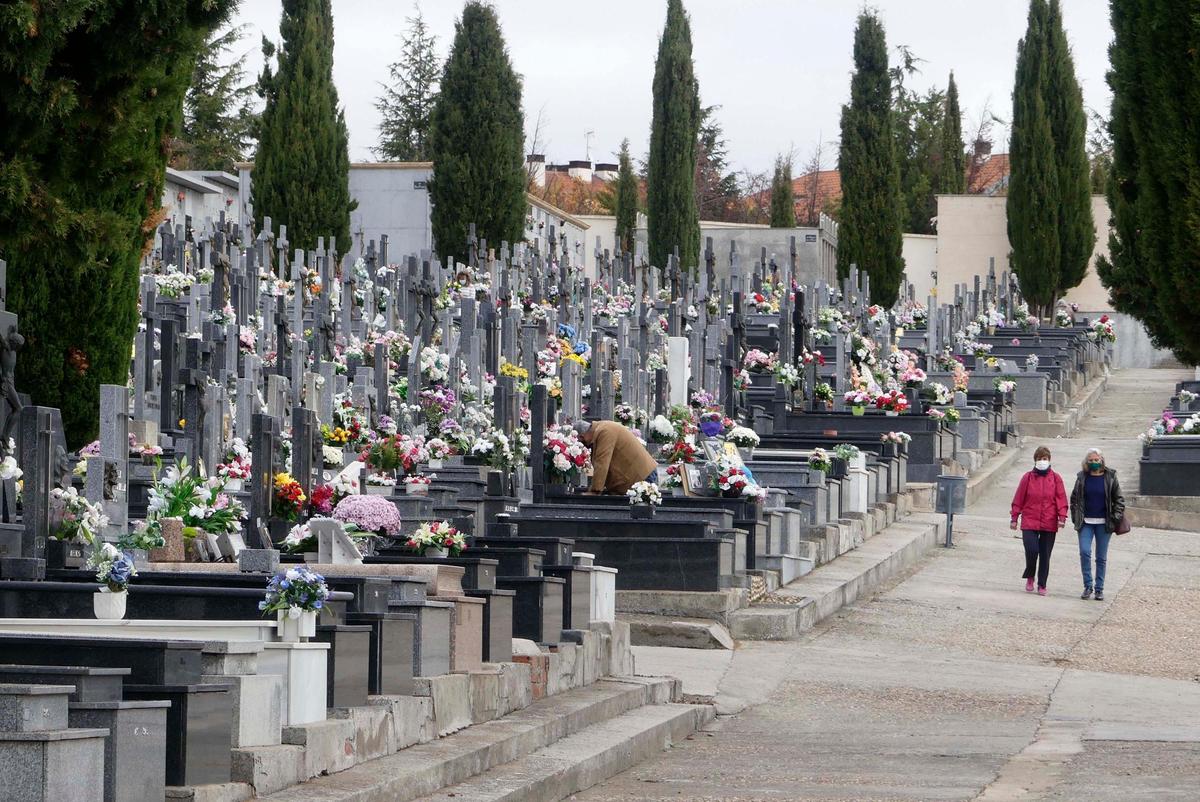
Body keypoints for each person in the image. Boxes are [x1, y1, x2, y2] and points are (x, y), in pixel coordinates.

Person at [1010, 446, 1068, 596]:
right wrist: (1014, 518)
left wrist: (1062, 517)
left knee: (1045, 554)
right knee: (1032, 550)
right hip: (1030, 519)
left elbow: (1061, 498)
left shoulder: (1056, 478)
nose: (1042, 461)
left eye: (1045, 459)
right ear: (1035, 461)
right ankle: (1030, 575)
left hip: (1049, 521)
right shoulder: (1027, 478)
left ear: (1049, 460)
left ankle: (1042, 584)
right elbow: (1019, 498)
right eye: (1039, 459)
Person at [1069, 448, 1125, 601]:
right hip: (1085, 522)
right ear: (1087, 462)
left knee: (1101, 557)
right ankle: (1088, 585)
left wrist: (1114, 518)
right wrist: (1075, 516)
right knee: (1085, 552)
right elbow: (1074, 499)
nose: (1094, 462)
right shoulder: (1082, 477)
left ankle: (1099, 589)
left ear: (1102, 460)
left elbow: (1119, 499)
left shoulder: (1110, 477)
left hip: (1104, 524)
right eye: (1091, 460)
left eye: (1096, 460)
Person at [572, 420, 658, 496]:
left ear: (581, 436)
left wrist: (595, 491)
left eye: (580, 441)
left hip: (642, 477)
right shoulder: (601, 430)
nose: (582, 444)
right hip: (637, 478)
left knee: (640, 512)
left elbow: (602, 462)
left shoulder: (605, 431)